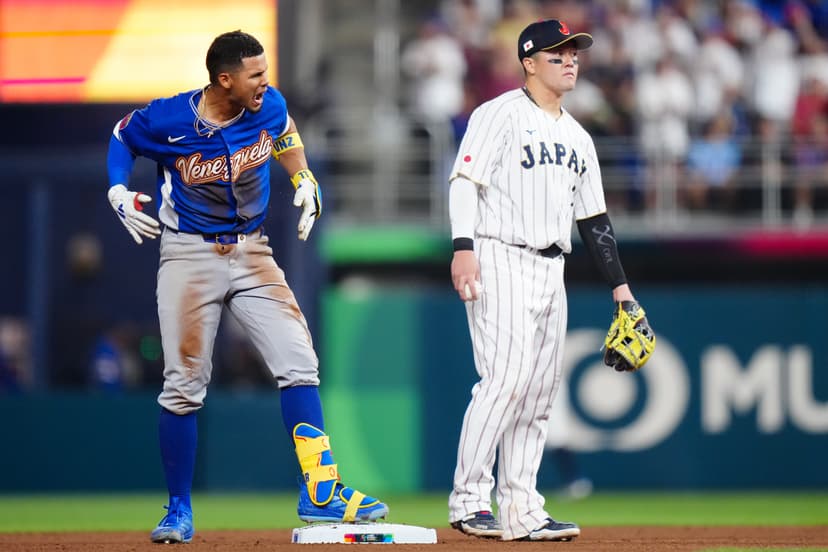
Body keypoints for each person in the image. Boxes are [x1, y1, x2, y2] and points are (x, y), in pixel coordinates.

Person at [105, 30, 388, 544]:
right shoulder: (169, 118)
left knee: (299, 360)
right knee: (184, 385)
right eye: (255, 74)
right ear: (224, 79)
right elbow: (123, 137)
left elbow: (284, 129)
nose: (266, 82)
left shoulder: (268, 103)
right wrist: (118, 188)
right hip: (189, 252)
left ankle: (320, 492)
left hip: (252, 249)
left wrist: (302, 177)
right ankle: (178, 509)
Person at [447, 19, 643, 542]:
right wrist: (462, 247)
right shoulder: (498, 115)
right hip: (498, 253)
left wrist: (621, 291)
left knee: (538, 395)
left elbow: (595, 221)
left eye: (575, 51)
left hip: (551, 266)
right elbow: (464, 182)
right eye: (558, 54)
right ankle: (468, 499)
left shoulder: (578, 137)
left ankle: (522, 510)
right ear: (529, 63)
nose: (571, 59)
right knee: (506, 381)